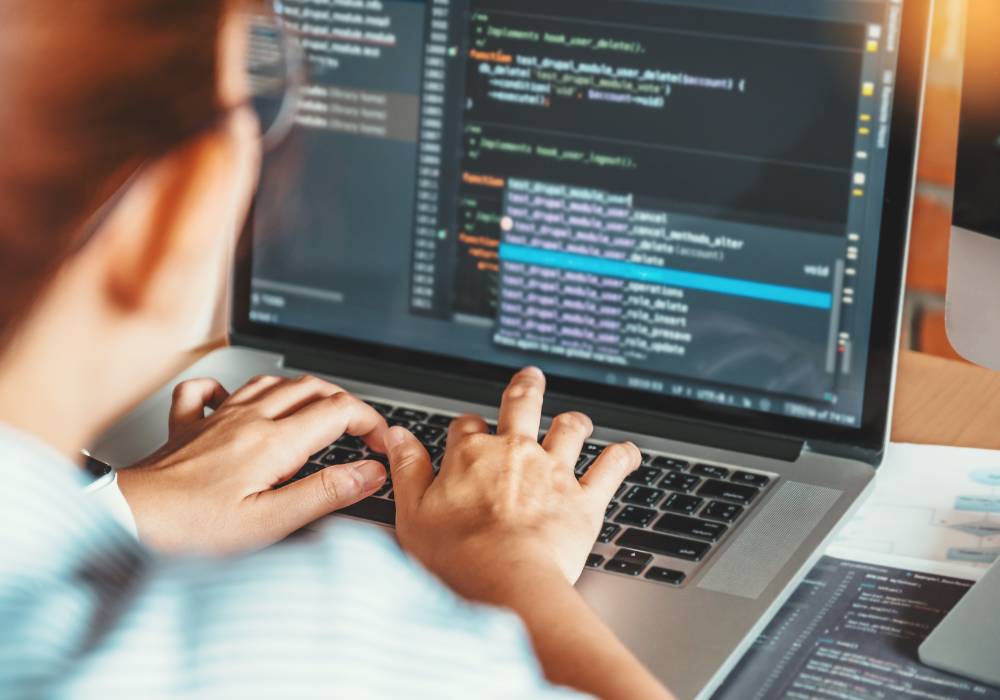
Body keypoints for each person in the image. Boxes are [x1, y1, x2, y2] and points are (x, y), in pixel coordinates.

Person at [0, 1, 674, 698]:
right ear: (171, 216)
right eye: (263, 108)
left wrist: (126, 511)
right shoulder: (308, 636)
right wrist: (510, 565)